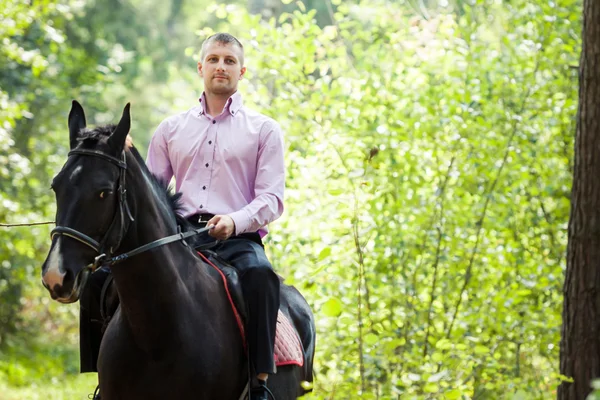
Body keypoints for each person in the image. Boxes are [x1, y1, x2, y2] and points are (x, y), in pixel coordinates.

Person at [146, 32, 284, 400]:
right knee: (110, 277)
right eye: (213, 59)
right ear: (200, 67)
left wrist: (235, 221)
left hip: (238, 238)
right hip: (180, 236)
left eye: (229, 60)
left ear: (242, 71)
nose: (221, 66)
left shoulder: (264, 130)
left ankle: (259, 384)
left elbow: (271, 199)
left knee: (261, 277)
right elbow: (152, 195)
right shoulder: (169, 129)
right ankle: (107, 381)